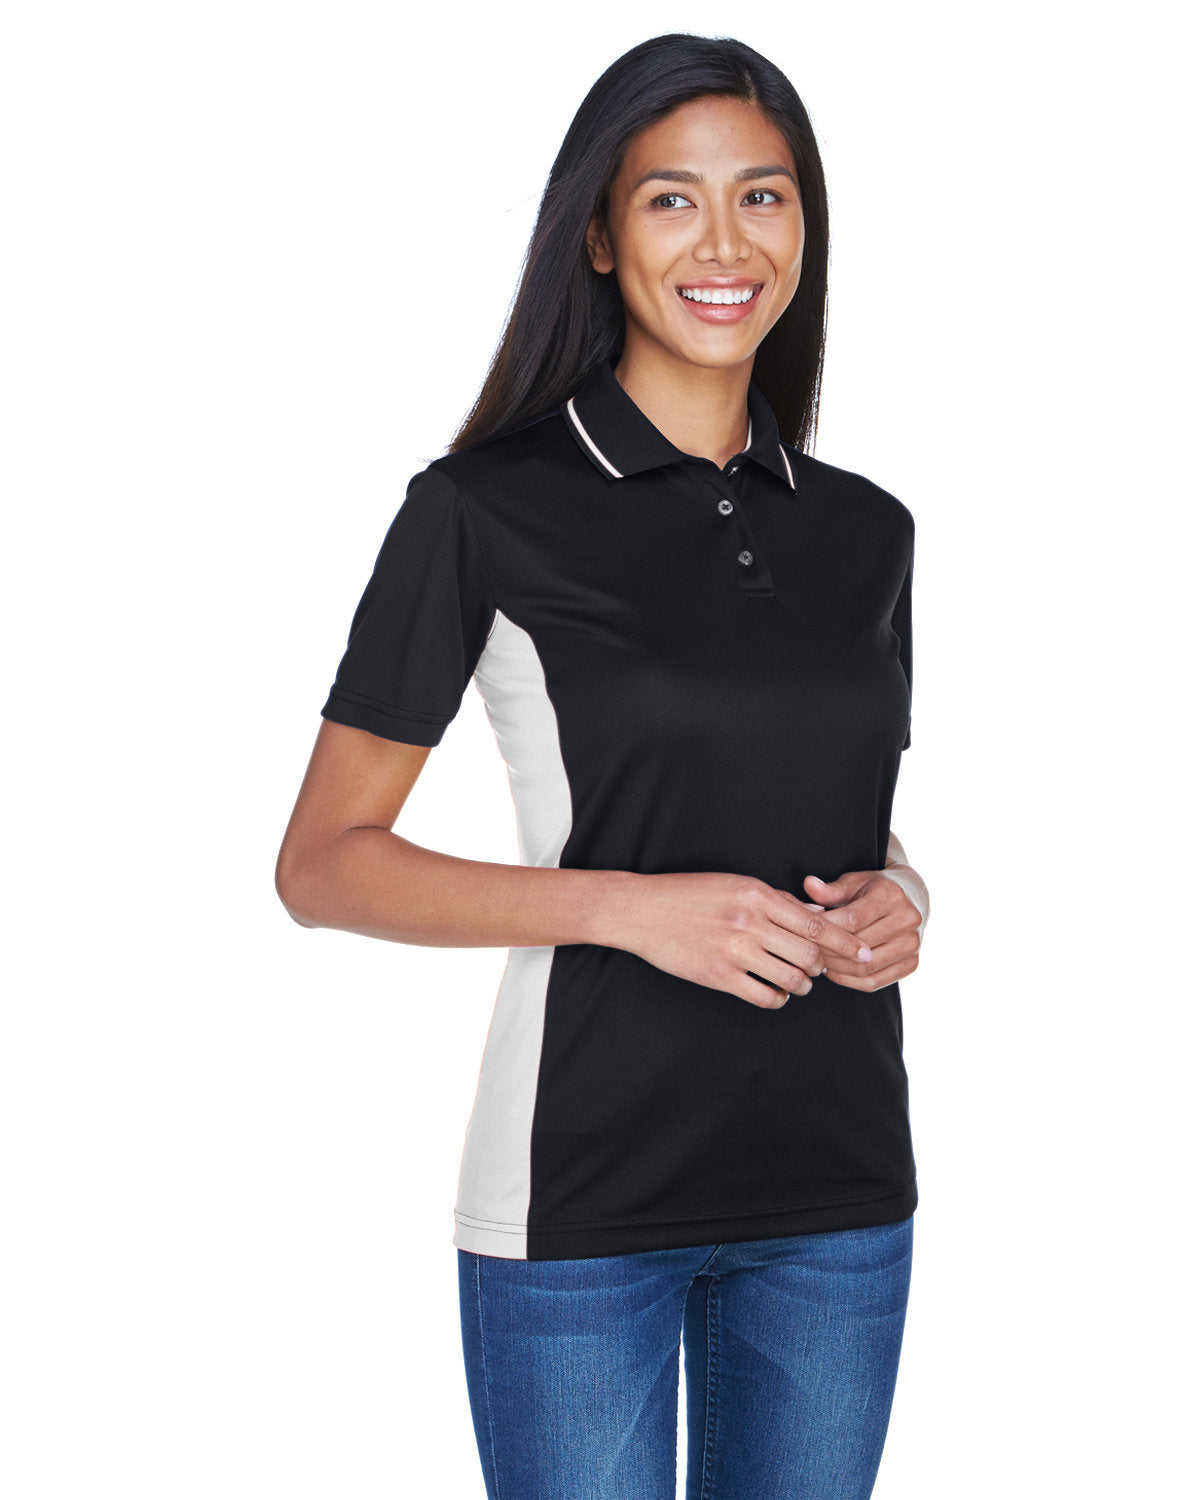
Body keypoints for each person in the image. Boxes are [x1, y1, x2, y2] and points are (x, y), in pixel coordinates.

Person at [276, 31, 931, 1500]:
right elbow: (321, 866)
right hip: (582, 1197)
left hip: (838, 1192)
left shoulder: (869, 532)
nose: (725, 244)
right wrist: (629, 909)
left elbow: (837, 808)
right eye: (671, 199)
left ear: (806, 228)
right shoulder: (480, 512)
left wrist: (903, 897)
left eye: (763, 197)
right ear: (596, 233)